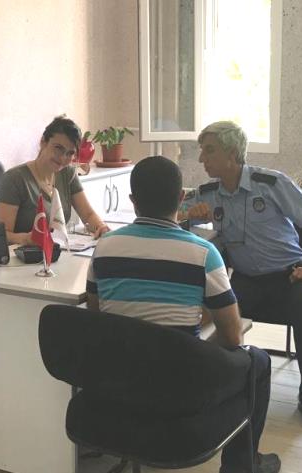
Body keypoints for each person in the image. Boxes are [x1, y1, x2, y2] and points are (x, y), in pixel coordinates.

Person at [86, 155, 281, 473]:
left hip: (120, 382)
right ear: (180, 198)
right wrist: (199, 348)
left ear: (133, 201)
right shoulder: (204, 254)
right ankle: (243, 465)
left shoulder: (104, 248)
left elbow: (97, 317)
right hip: (182, 388)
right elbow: (233, 336)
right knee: (257, 361)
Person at [185, 121, 302, 435]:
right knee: (210, 308)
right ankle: (220, 386)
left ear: (231, 153)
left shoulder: (270, 183)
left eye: (209, 151)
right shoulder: (208, 194)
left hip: (290, 275)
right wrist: (189, 218)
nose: (201, 159)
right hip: (247, 279)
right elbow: (171, 218)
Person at [0, 115, 109, 245]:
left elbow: (88, 215)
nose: (63, 158)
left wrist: (101, 227)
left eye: (70, 153)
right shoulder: (14, 179)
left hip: (58, 251)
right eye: (58, 148)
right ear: (43, 142)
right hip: (24, 254)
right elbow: (2, 234)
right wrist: (27, 239)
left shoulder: (68, 173)